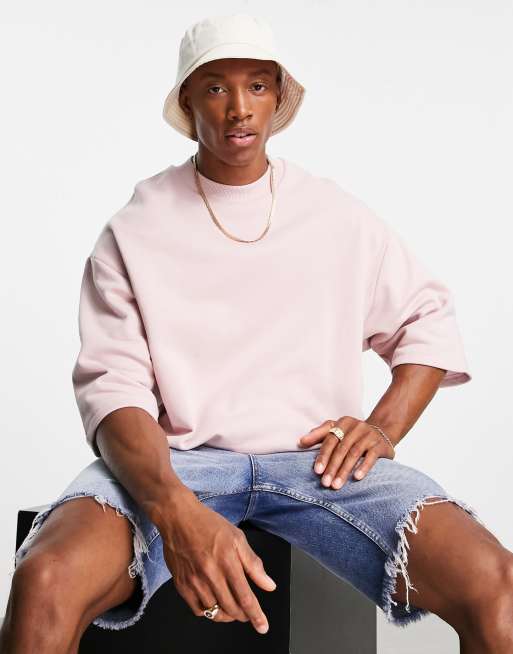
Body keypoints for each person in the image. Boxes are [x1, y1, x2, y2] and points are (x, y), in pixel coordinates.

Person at [2, 12, 512, 654]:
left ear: (277, 98)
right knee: (45, 580)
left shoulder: (335, 215)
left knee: (498, 585)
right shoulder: (136, 228)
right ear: (188, 100)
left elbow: (425, 317)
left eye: (258, 86)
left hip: (318, 467)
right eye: (216, 87)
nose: (239, 108)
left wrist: (383, 428)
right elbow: (113, 392)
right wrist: (176, 511)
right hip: (177, 462)